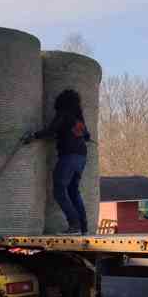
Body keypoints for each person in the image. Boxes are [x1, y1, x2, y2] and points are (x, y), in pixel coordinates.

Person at [28, 89, 92, 235]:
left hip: (68, 157)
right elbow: (87, 136)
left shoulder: (63, 115)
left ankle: (74, 225)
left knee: (59, 191)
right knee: (73, 191)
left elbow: (51, 130)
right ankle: (83, 227)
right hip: (81, 158)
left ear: (62, 102)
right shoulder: (79, 119)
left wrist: (33, 136)